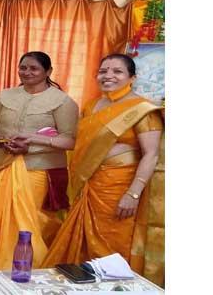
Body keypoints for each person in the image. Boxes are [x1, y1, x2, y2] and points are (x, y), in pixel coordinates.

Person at [0, 51, 79, 272]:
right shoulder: (6, 96)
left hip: (39, 170)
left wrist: (31, 145)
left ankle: (24, 267)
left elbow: (69, 140)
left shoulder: (62, 101)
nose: (27, 72)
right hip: (3, 165)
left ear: (48, 72)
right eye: (23, 67)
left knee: (27, 221)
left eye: (34, 68)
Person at [41, 53, 163, 270]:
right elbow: (80, 146)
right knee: (82, 244)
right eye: (103, 71)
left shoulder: (142, 109)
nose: (108, 76)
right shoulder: (91, 106)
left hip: (119, 188)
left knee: (113, 244)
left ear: (132, 78)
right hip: (88, 184)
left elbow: (151, 154)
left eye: (117, 71)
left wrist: (133, 193)